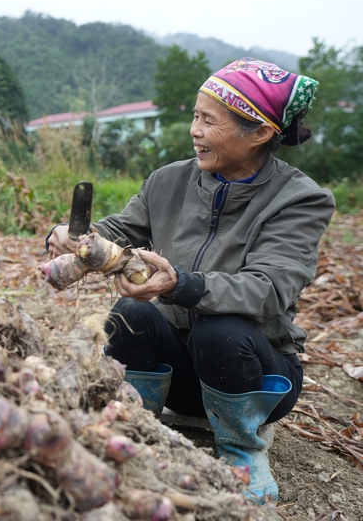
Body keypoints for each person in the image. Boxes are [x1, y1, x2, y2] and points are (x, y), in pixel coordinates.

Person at [47, 58, 335, 503]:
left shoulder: (301, 199)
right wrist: (75, 240)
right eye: (195, 117)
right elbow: (119, 231)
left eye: (208, 121)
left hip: (254, 376)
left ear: (258, 132)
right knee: (130, 313)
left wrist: (179, 284)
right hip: (183, 377)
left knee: (220, 328)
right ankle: (137, 426)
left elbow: (269, 289)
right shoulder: (169, 180)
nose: (194, 131)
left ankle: (242, 447)